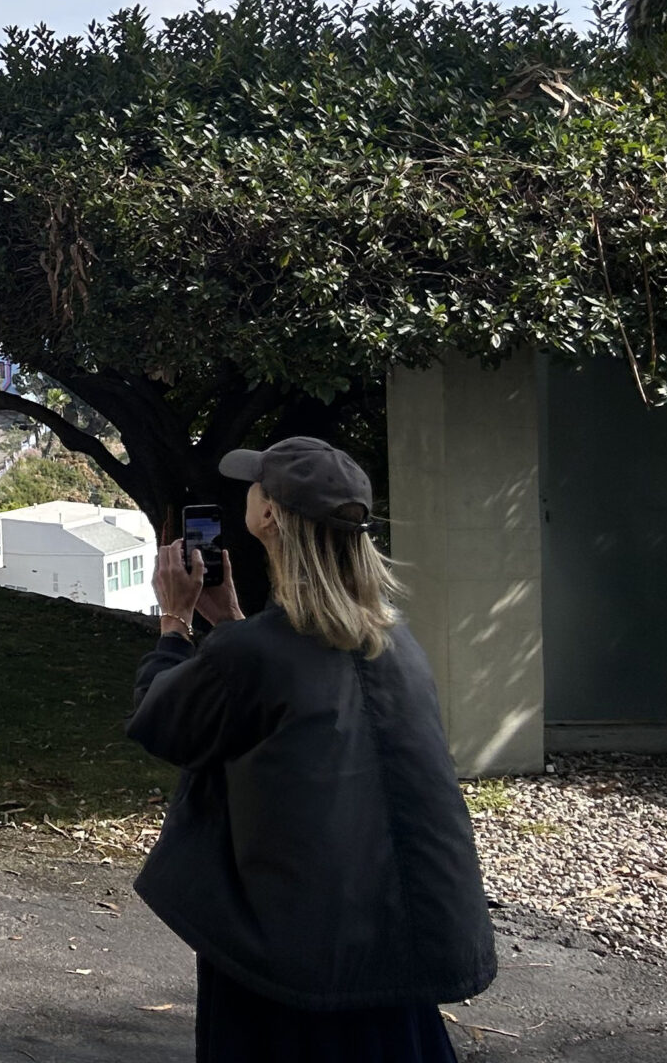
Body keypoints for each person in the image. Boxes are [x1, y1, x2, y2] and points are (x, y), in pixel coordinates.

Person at [129, 435, 495, 1061]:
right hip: (392, 958)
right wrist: (233, 623)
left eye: (255, 485)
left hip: (291, 968)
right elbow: (295, 687)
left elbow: (164, 721)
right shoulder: (397, 645)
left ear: (268, 516)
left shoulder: (254, 655)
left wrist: (175, 622)